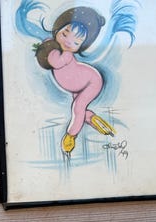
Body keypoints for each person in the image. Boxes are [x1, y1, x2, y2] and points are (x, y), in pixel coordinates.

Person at [34, 7, 116, 154]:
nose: (68, 42)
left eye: (76, 42)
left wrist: (46, 50)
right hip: (78, 85)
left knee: (78, 107)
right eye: (65, 34)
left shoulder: (65, 55)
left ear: (81, 46)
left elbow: (54, 62)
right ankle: (92, 119)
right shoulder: (55, 47)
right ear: (57, 30)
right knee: (80, 110)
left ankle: (70, 136)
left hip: (91, 82)